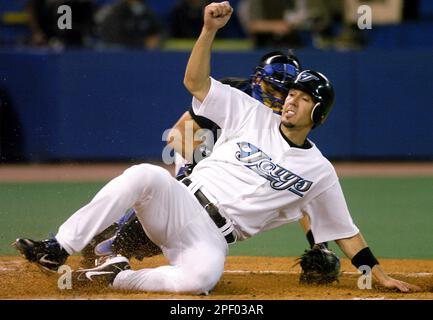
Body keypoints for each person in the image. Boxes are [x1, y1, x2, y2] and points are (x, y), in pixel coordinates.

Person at [14, 1, 420, 294]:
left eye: (301, 96)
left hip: (211, 239)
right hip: (182, 200)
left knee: (200, 281)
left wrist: (374, 272)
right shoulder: (249, 110)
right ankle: (59, 247)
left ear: (319, 113)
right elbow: (194, 85)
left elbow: (344, 230)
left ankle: (113, 275)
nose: (290, 99)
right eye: (289, 93)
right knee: (144, 174)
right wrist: (208, 31)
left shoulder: (319, 171)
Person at [97, 0, 162, 49]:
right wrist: (143, 42)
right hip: (118, 48)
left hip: (140, 48)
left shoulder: (144, 9)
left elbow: (159, 28)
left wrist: (155, 38)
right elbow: (116, 36)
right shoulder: (117, 11)